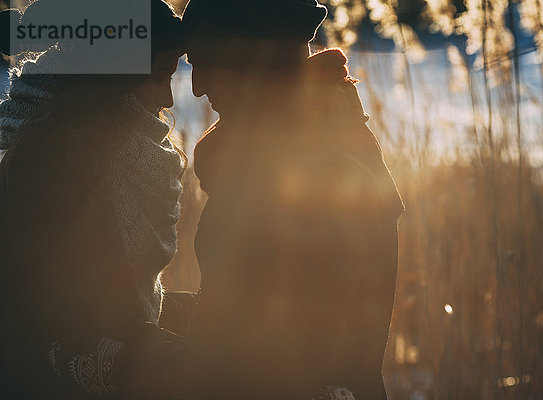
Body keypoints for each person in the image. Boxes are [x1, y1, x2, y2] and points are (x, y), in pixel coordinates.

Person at [182, 0, 405, 398]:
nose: (197, 86)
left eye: (207, 62)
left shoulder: (325, 173)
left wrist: (135, 361)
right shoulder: (278, 153)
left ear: (253, 61)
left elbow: (281, 367)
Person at [0, 1, 194, 398]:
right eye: (159, 77)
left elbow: (122, 304)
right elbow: (51, 324)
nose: (170, 100)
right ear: (112, 77)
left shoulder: (119, 158)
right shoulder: (45, 171)